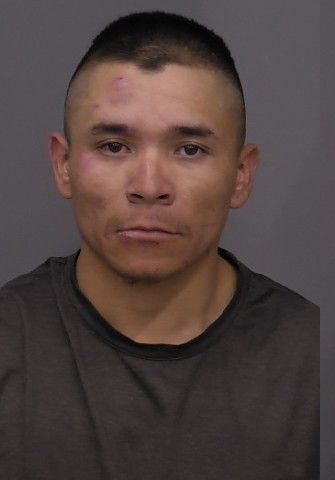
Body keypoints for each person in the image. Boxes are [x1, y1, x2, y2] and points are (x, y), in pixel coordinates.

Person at [0, 11, 318, 480]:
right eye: (113, 146)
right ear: (63, 165)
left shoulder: (312, 358)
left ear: (241, 175)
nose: (149, 187)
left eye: (189, 149)